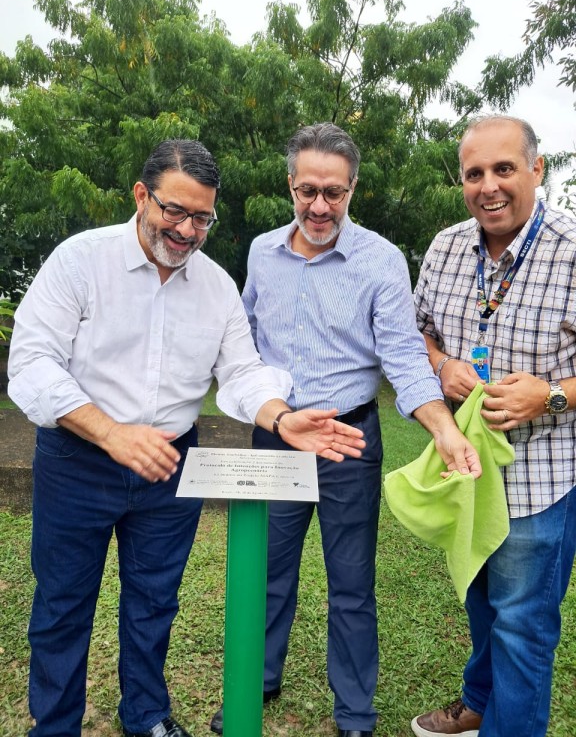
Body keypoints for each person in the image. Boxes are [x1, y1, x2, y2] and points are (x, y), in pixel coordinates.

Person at [7, 139, 368, 737]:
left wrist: (281, 418)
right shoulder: (81, 261)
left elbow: (243, 370)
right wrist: (111, 434)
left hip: (170, 464)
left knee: (154, 601)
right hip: (78, 459)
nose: (186, 230)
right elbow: (32, 362)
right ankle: (56, 727)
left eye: (202, 217)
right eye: (174, 210)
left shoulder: (216, 286)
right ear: (141, 196)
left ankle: (146, 715)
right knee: (63, 604)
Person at [210, 122, 482, 737]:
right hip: (279, 436)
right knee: (265, 572)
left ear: (353, 188)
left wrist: (442, 428)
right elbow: (241, 337)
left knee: (352, 586)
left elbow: (403, 355)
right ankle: (256, 679)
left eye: (333, 192)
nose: (319, 206)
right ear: (290, 185)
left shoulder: (381, 259)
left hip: (348, 442)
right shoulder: (262, 252)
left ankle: (355, 713)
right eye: (307, 190)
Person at [411, 115, 576, 737]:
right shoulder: (448, 246)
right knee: (480, 602)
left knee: (521, 626)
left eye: (504, 168)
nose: (489, 186)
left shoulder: (571, 248)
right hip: (467, 468)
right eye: (474, 173)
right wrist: (442, 364)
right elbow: (416, 333)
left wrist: (550, 396)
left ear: (536, 168)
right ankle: (479, 702)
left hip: (541, 477)